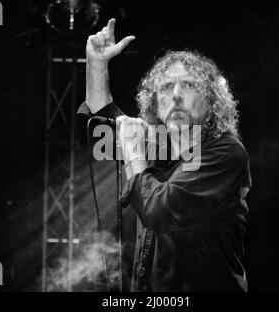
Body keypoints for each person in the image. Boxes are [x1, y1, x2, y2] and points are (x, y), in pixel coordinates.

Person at [78, 18, 252, 292]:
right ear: (155, 103)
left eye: (189, 86)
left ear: (212, 101)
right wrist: (97, 65)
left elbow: (159, 210)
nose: (176, 97)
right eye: (167, 87)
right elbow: (105, 122)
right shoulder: (158, 144)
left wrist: (133, 150)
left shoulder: (225, 151)